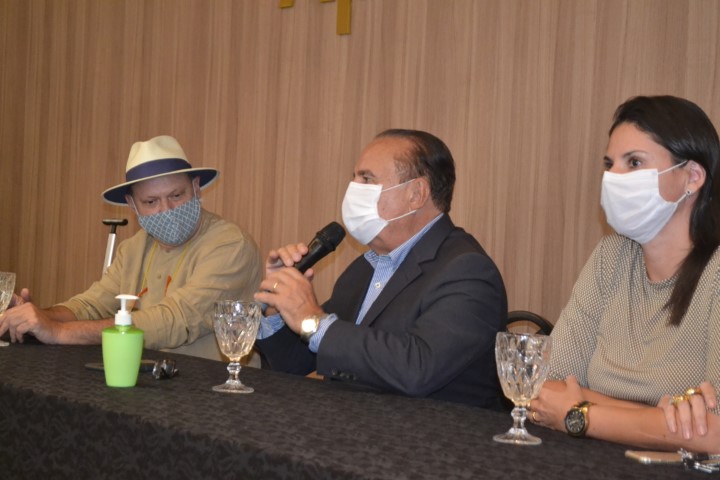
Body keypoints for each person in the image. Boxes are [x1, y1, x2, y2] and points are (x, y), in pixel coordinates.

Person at [253, 129, 507, 408]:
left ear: (416, 194)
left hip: (431, 432)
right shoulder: (365, 267)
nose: (352, 189)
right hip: (352, 424)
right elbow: (294, 364)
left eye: (366, 179)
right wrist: (278, 307)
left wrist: (313, 322)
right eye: (354, 178)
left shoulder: (467, 271)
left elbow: (418, 368)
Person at [530, 96, 719, 453]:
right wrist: (661, 420)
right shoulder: (611, 255)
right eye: (609, 164)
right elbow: (544, 386)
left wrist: (580, 413)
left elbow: (716, 432)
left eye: (634, 162)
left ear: (692, 177)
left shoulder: (717, 273)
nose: (614, 177)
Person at [0, 135, 263, 361]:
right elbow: (92, 305)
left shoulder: (230, 244)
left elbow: (176, 320)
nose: (167, 210)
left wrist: (58, 332)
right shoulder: (135, 248)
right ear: (132, 205)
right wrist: (37, 317)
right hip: (147, 380)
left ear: (195, 188)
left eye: (176, 195)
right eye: (151, 201)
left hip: (214, 388)